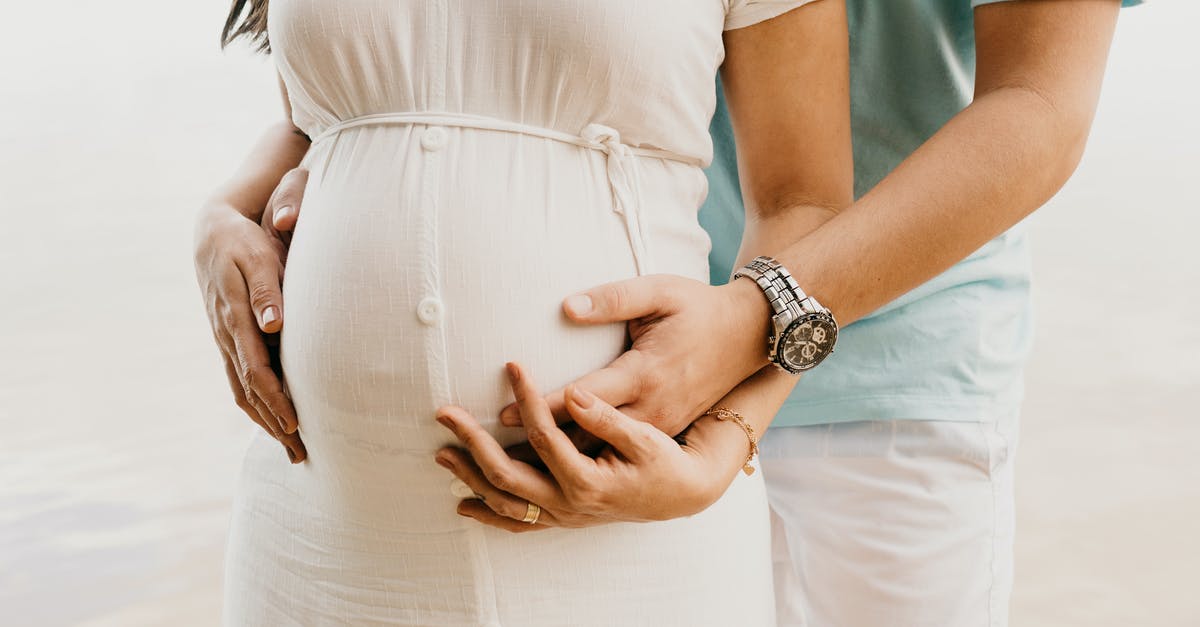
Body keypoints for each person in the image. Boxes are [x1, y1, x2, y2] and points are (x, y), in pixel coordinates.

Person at [229, 0, 1143, 625]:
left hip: (890, 373)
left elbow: (1041, 105)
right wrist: (229, 209)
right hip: (623, 371)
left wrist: (746, 347)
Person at [193, 0, 852, 624]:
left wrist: (730, 433)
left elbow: (803, 203)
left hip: (631, 542)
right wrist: (223, 212)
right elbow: (322, 119)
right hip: (318, 534)